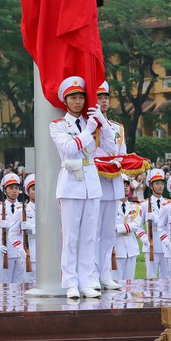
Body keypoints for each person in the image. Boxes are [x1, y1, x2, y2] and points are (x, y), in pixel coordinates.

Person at [50, 76, 112, 299]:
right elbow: (69, 149)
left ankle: (87, 280)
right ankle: (71, 283)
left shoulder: (91, 121)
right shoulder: (58, 125)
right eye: (73, 97)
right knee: (71, 237)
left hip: (91, 182)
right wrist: (89, 131)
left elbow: (111, 146)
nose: (78, 102)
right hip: (70, 184)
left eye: (81, 97)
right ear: (65, 100)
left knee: (89, 236)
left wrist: (102, 124)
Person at [93, 80, 126, 290]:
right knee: (93, 234)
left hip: (112, 184)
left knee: (108, 233)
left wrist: (119, 163)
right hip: (95, 182)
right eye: (99, 97)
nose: (103, 101)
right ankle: (93, 274)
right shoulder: (88, 125)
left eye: (106, 97)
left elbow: (122, 154)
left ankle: (104, 273)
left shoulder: (118, 128)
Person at [138, 168, 170, 279]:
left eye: (162, 183)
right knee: (151, 278)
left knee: (166, 278)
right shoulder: (144, 205)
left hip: (165, 244)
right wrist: (145, 240)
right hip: (151, 243)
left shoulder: (168, 203)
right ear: (151, 186)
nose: (160, 186)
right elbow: (138, 226)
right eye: (157, 184)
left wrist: (155, 219)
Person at [113, 174, 142, 284]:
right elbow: (109, 227)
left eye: (127, 185)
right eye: (122, 185)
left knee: (130, 283)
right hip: (116, 248)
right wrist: (125, 227)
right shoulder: (111, 206)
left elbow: (136, 225)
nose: (125, 187)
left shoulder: (135, 207)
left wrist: (118, 228)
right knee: (116, 282)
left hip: (131, 248)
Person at [22, 174, 36, 284]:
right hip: (31, 253)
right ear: (28, 192)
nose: (36, 192)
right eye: (33, 189)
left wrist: (32, 227)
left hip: (47, 254)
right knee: (30, 285)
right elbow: (13, 234)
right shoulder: (23, 211)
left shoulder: (49, 209)